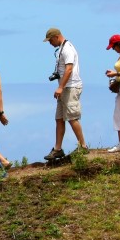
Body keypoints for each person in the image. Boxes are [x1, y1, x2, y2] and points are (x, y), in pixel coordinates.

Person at [43, 27, 88, 159]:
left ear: (56, 37)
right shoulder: (61, 48)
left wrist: (61, 87)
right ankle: (58, 148)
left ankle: (83, 145)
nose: (50, 43)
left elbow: (69, 69)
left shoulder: (67, 48)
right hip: (64, 87)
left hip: (71, 87)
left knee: (72, 117)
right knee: (59, 118)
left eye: (50, 40)